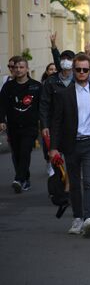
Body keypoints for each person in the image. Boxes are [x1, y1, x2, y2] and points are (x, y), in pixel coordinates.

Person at [49, 53, 90, 238]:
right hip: (71, 144)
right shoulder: (63, 94)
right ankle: (77, 218)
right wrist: (53, 148)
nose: (81, 72)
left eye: (85, 70)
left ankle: (89, 219)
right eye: (78, 69)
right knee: (75, 183)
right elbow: (56, 122)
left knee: (88, 181)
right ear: (73, 70)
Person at [0, 56, 42, 193]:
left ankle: (18, 179)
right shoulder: (8, 86)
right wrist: (1, 121)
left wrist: (45, 124)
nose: (18, 70)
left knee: (25, 152)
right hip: (13, 127)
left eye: (21, 67)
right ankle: (25, 179)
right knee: (17, 155)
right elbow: (2, 105)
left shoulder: (36, 86)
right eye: (16, 67)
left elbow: (43, 106)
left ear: (27, 69)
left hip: (30, 127)